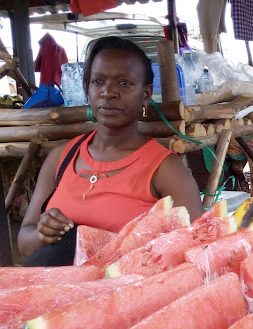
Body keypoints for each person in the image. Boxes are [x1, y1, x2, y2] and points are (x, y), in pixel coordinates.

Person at [18, 36, 203, 266]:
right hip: (55, 293)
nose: (108, 92)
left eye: (124, 83)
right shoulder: (61, 156)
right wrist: (42, 234)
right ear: (88, 88)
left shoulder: (167, 170)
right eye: (98, 81)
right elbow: (25, 242)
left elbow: (195, 251)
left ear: (145, 94)